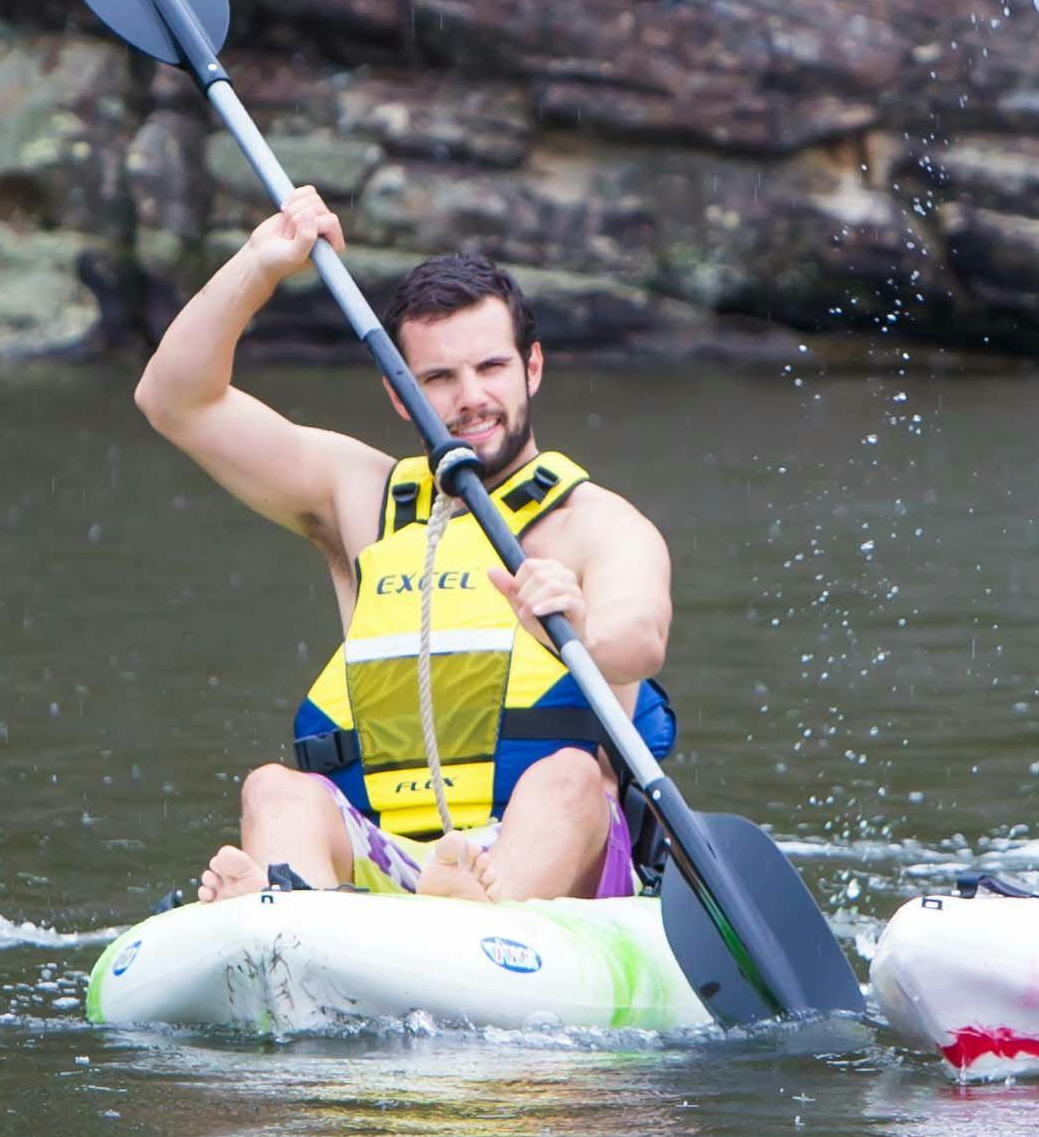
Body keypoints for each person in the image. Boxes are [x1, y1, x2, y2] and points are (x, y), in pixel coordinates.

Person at [135, 189, 679, 905]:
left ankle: (481, 902)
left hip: (550, 865)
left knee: (567, 777)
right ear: (401, 394)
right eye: (439, 379)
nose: (471, 398)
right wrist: (259, 267)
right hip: (391, 852)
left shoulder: (598, 523)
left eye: (491, 368)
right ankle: (286, 909)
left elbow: (640, 640)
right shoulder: (357, 497)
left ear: (532, 369)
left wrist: (578, 628)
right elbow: (176, 402)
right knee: (277, 789)